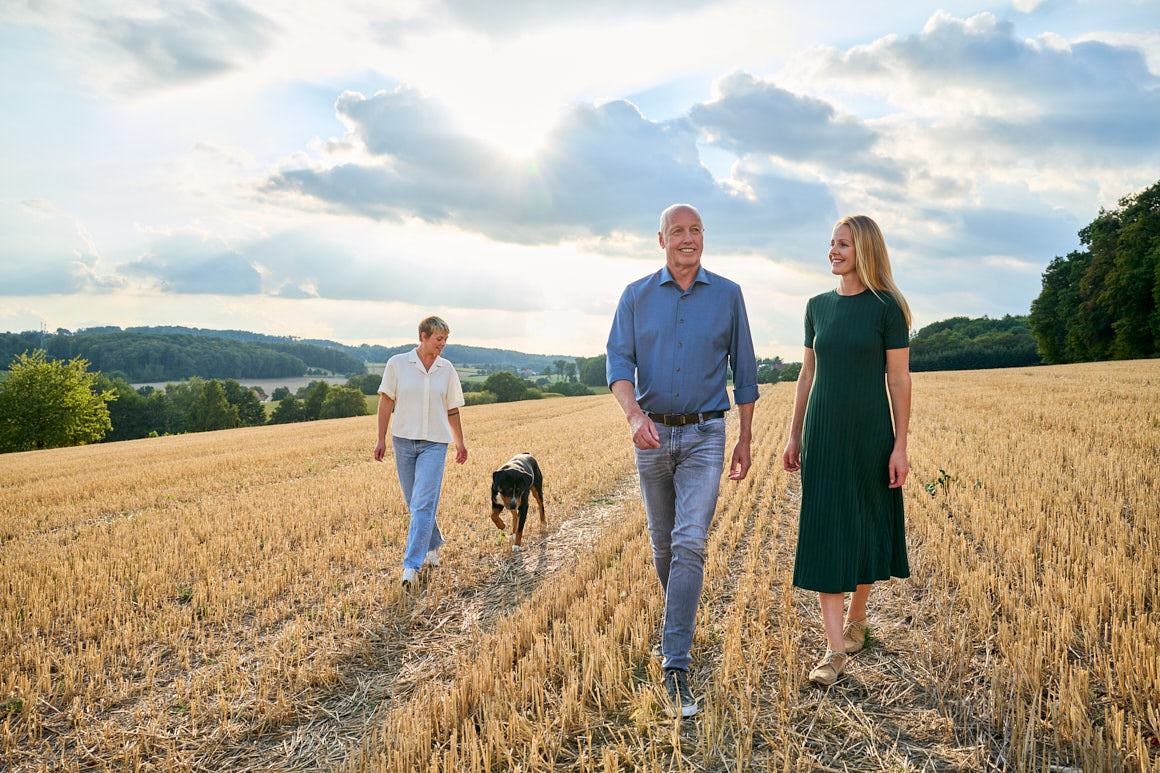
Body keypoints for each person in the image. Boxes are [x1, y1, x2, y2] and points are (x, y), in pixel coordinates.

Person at [606, 203, 759, 718]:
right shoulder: (635, 296)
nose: (687, 239)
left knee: (690, 541)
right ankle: (680, 617)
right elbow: (618, 364)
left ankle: (675, 665)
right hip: (650, 437)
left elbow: (746, 372)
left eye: (695, 231)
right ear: (661, 238)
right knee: (663, 546)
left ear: (703, 237)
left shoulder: (730, 296)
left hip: (706, 436)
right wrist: (632, 416)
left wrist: (745, 438)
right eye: (678, 231)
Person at [782, 215, 912, 686]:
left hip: (872, 435)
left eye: (843, 244)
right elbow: (807, 375)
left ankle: (858, 619)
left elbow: (898, 379)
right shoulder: (816, 306)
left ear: (865, 250)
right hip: (824, 434)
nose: (833, 251)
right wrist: (794, 434)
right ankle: (834, 652)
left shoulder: (887, 308)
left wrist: (900, 444)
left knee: (865, 525)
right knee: (827, 531)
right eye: (831, 243)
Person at [373, 316, 468, 587]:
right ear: (423, 336)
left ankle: (410, 568)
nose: (443, 345)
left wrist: (459, 442)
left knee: (423, 504)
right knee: (414, 504)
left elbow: (452, 409)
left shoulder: (447, 369)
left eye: (446, 340)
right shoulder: (398, 364)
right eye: (439, 339)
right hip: (403, 441)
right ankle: (434, 543)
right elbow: (385, 403)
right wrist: (380, 439)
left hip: (435, 443)